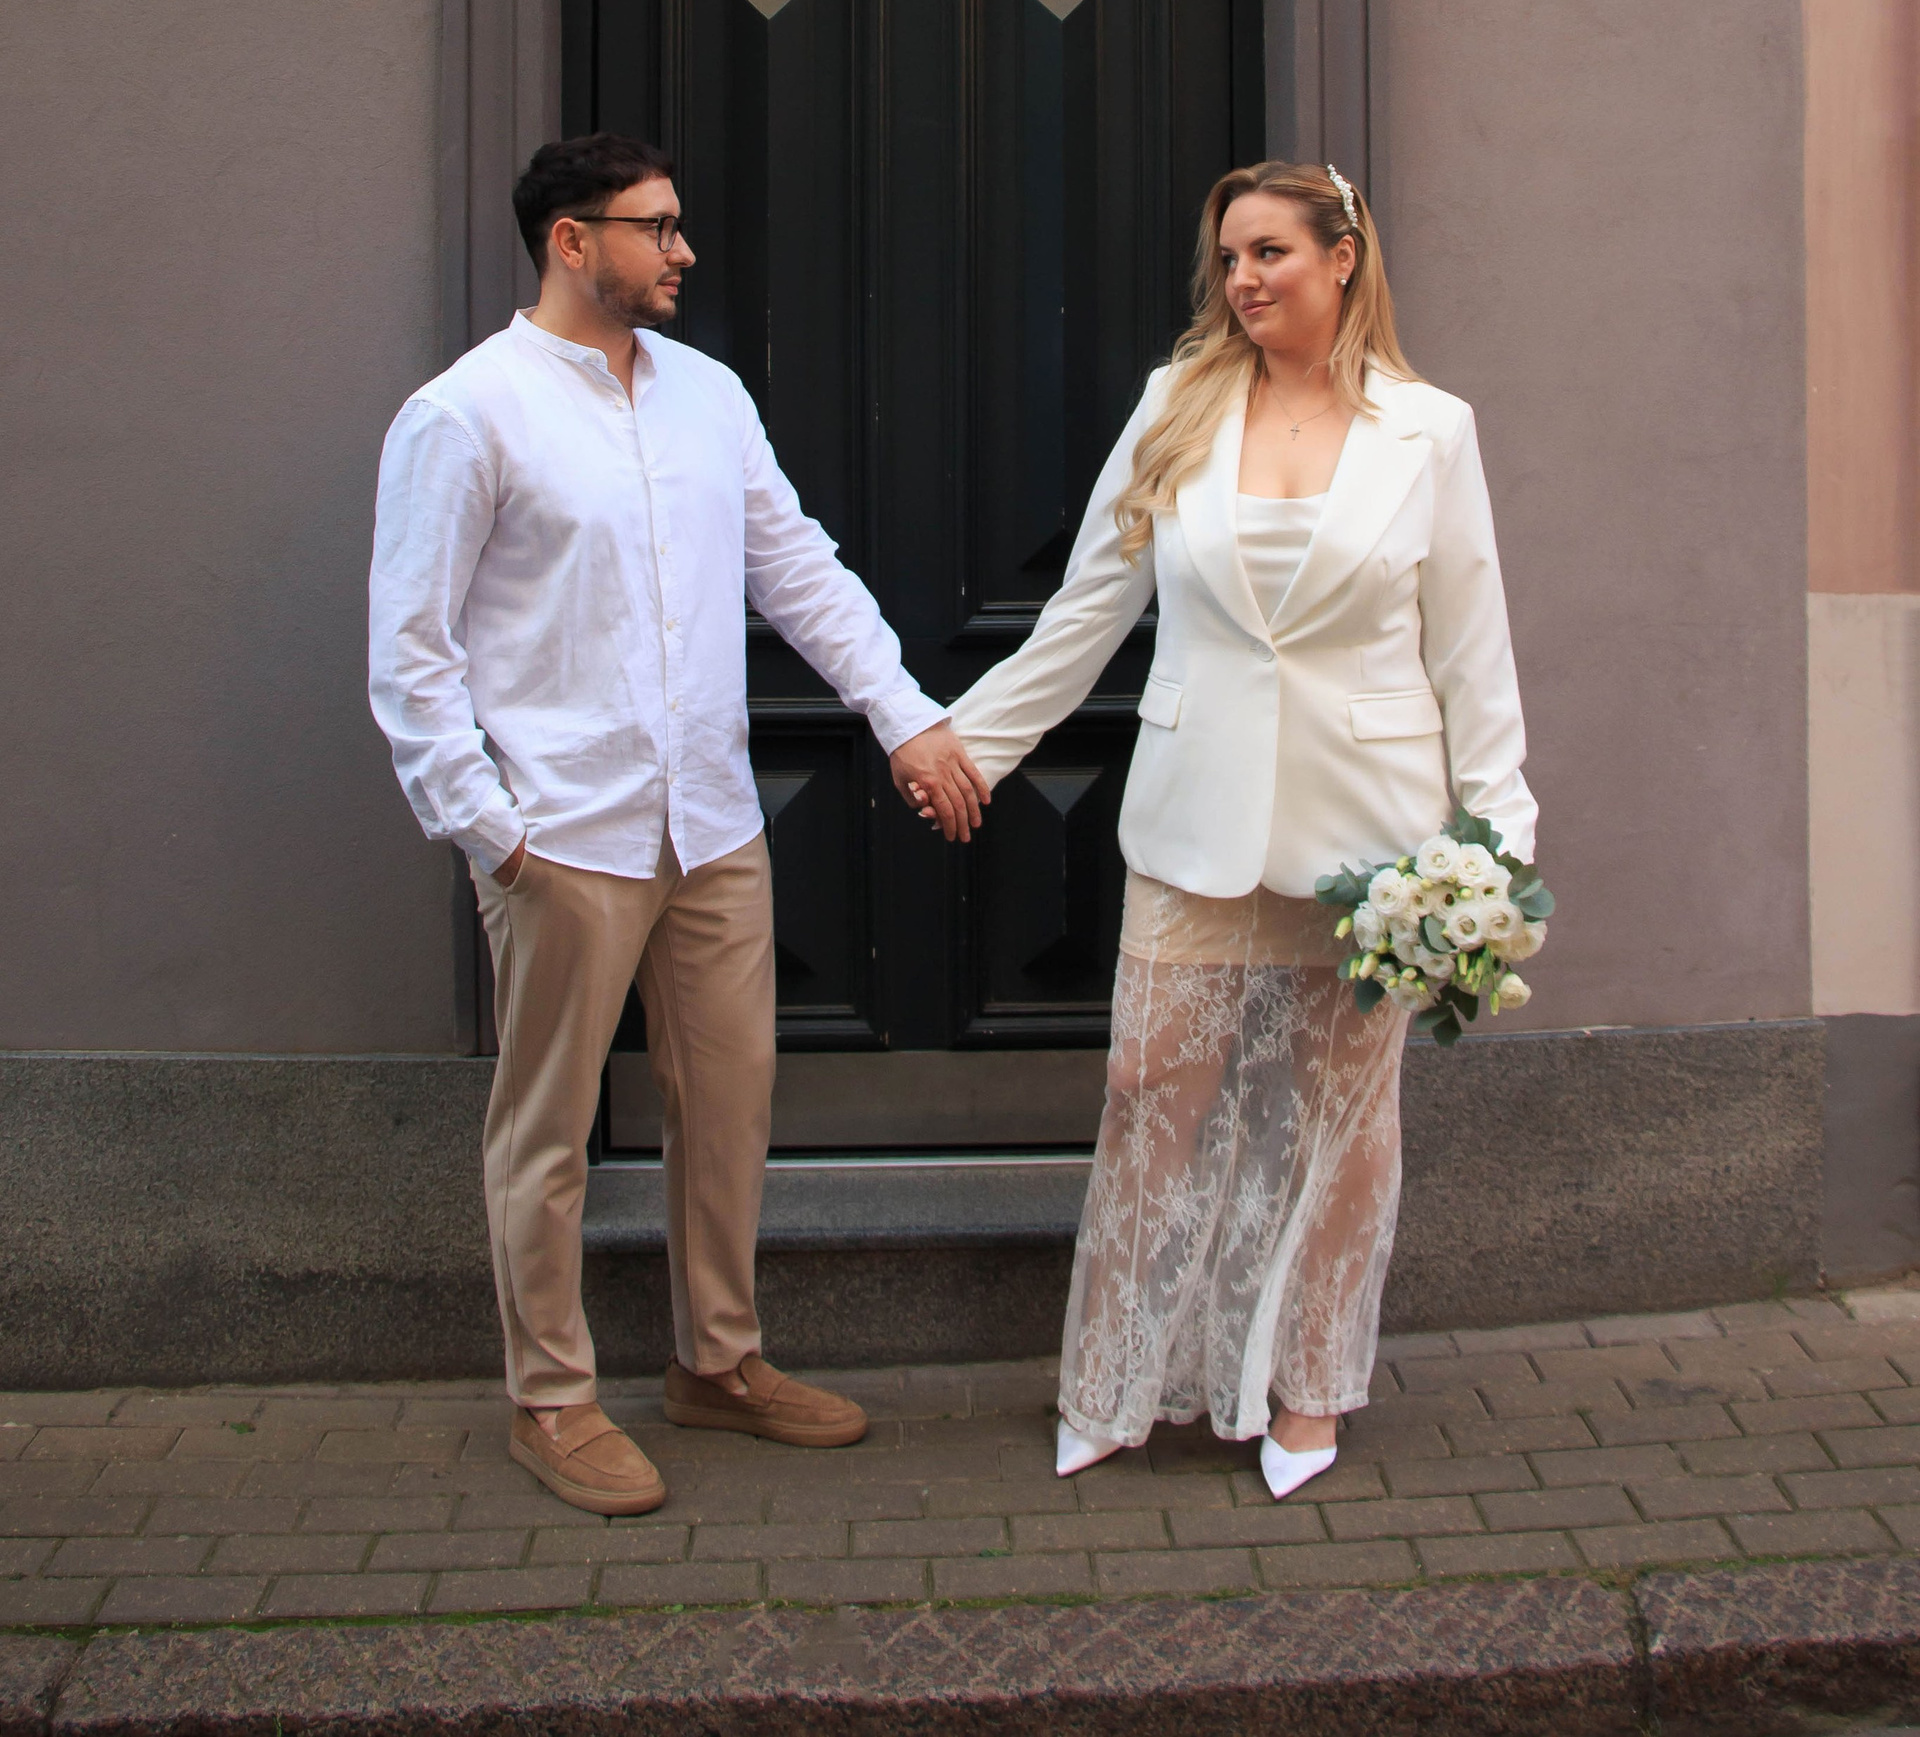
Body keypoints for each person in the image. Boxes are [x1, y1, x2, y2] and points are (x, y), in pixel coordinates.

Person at [369, 131, 988, 1516]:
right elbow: (410, 654)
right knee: (546, 1130)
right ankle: (552, 1397)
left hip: (709, 821)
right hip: (562, 833)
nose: (683, 250)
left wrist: (904, 714)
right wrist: (492, 831)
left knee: (729, 1103)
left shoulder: (709, 395)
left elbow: (796, 565)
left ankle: (718, 1360)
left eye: (678, 223)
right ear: (571, 240)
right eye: (656, 226)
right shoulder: (466, 414)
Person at [950, 160, 1536, 1500]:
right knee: (1147, 1084)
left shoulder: (1429, 431)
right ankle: (1117, 1380)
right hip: (1195, 814)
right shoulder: (1178, 403)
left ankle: (1311, 1388)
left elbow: (1473, 652)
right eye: (1228, 258)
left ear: (1343, 256)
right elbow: (1087, 608)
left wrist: (1495, 851)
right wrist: (969, 746)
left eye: (1270, 251)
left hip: (1371, 841)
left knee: (1345, 1119)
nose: (1243, 278)